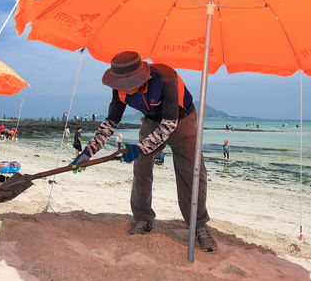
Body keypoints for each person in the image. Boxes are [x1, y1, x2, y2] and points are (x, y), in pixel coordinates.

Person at [71, 51, 216, 252]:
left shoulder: (167, 79)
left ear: (140, 77)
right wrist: (88, 152)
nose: (125, 91)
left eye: (128, 86)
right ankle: (143, 218)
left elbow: (169, 125)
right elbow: (110, 124)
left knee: (192, 171)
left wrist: (139, 148)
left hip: (182, 120)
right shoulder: (120, 90)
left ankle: (198, 224)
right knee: (141, 168)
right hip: (152, 120)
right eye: (121, 86)